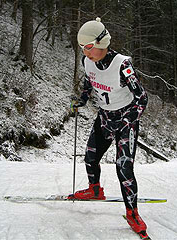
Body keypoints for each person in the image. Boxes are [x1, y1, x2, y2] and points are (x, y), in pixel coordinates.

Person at [69, 17, 149, 238]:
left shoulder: (122, 65)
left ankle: (132, 213)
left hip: (126, 119)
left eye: (89, 47)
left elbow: (142, 99)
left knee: (123, 167)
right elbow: (89, 83)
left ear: (101, 42)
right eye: (82, 48)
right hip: (104, 116)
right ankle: (95, 190)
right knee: (90, 157)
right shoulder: (88, 62)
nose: (86, 52)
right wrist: (82, 100)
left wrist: (126, 123)